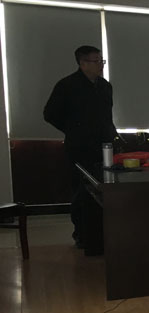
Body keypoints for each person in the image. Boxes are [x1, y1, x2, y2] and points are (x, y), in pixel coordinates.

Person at [44, 45, 117, 248]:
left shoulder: (105, 86)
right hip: (79, 147)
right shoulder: (66, 85)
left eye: (102, 60)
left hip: (105, 146)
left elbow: (107, 117)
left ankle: (103, 233)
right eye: (96, 61)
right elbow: (50, 114)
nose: (101, 65)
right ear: (83, 63)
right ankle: (82, 234)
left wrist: (113, 136)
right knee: (81, 191)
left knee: (106, 191)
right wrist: (73, 129)